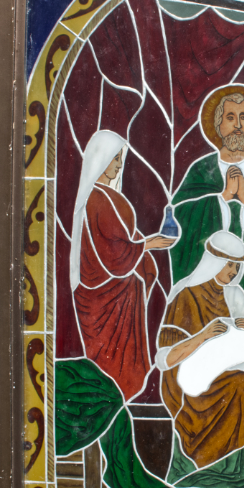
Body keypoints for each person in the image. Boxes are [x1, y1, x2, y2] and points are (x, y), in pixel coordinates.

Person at [156, 231, 244, 488]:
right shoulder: (185, 296)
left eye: (237, 265)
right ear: (214, 262)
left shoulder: (235, 295)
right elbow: (165, 359)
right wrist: (204, 335)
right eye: (229, 264)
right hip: (188, 375)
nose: (234, 271)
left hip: (228, 366)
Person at [71, 130, 174, 400]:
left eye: (120, 160)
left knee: (120, 366)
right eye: (114, 159)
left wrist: (146, 244)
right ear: (99, 159)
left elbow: (126, 238)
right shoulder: (96, 198)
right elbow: (113, 252)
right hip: (105, 298)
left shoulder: (107, 197)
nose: (117, 166)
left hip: (122, 296)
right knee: (109, 365)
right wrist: (148, 246)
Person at [169, 85, 244, 308]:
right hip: (209, 262)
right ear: (218, 125)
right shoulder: (202, 168)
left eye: (243, 117)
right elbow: (179, 214)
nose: (237, 125)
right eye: (230, 117)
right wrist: (224, 196)